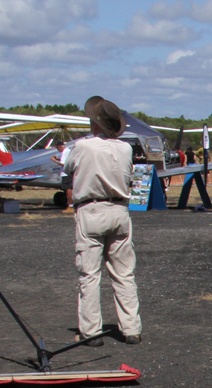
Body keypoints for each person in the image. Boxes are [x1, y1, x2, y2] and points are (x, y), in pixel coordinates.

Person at [64, 95, 141, 345]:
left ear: (94, 123)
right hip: (120, 210)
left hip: (91, 209)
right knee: (124, 273)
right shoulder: (125, 147)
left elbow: (69, 169)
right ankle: (131, 328)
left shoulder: (84, 146)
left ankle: (92, 331)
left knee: (90, 274)